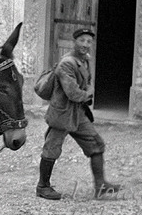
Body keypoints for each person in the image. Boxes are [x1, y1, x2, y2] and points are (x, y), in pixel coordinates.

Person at [36, 27, 122, 200]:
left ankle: (101, 185)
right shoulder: (67, 63)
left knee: (96, 144)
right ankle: (43, 187)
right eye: (82, 40)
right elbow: (73, 93)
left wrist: (86, 92)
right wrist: (88, 94)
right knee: (51, 149)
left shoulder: (83, 60)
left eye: (89, 41)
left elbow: (85, 84)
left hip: (77, 113)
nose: (85, 44)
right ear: (74, 42)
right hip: (62, 114)